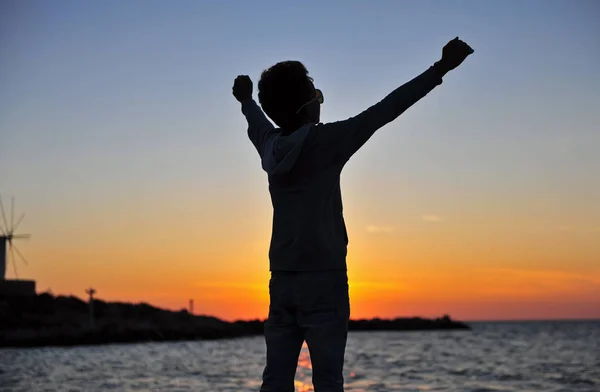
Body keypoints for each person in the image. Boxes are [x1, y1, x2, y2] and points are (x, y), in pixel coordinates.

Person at [232, 37, 474, 392]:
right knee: (328, 380)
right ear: (305, 108)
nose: (320, 103)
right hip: (325, 280)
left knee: (275, 379)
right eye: (317, 97)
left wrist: (246, 99)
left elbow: (255, 119)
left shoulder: (269, 145)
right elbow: (386, 109)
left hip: (282, 278)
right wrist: (440, 69)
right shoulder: (327, 141)